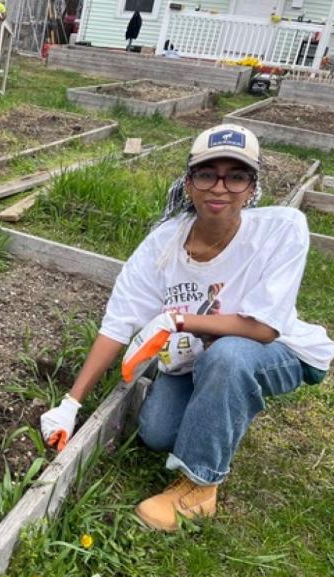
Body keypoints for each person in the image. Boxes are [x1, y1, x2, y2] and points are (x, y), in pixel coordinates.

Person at [39, 124, 333, 532]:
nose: (220, 187)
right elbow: (119, 321)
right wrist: (71, 403)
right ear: (189, 182)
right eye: (207, 174)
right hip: (196, 357)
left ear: (252, 187)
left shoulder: (282, 229)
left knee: (228, 357)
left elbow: (265, 329)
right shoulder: (163, 245)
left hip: (283, 350)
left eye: (236, 176)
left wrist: (178, 320)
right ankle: (221, 405)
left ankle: (199, 486)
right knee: (157, 433)